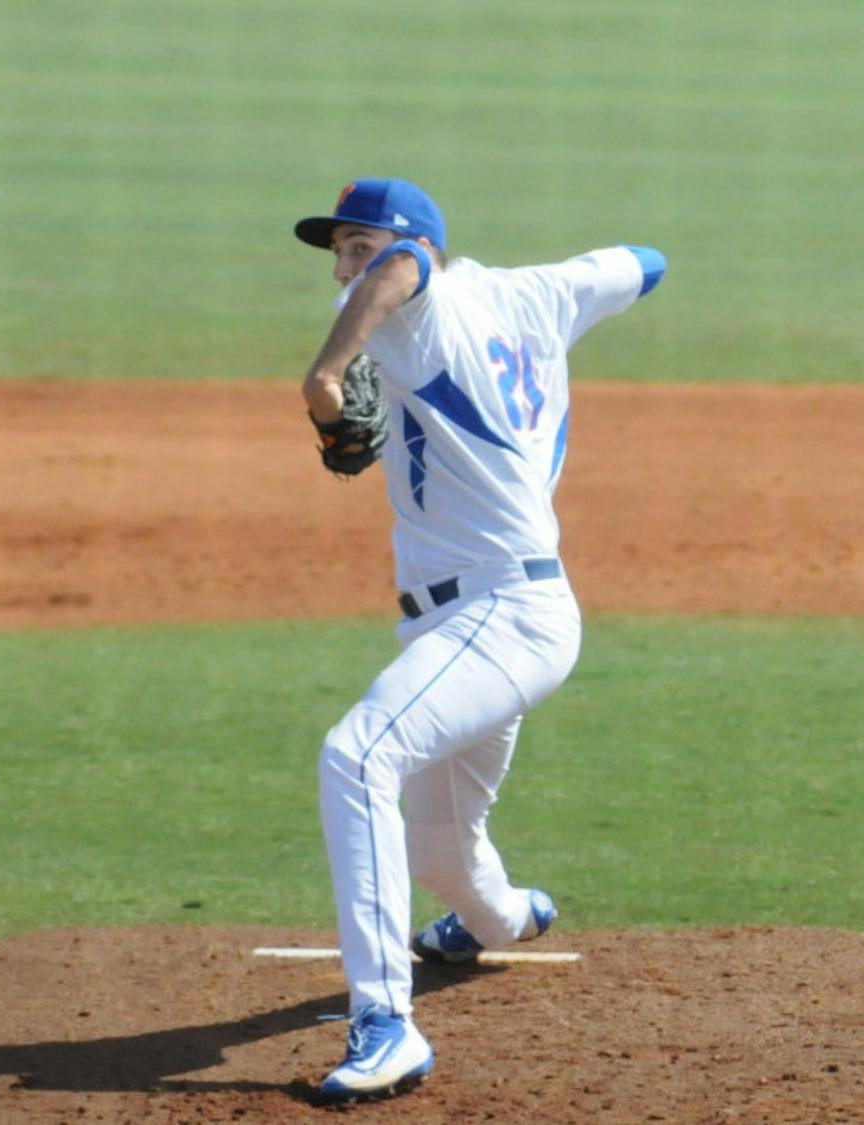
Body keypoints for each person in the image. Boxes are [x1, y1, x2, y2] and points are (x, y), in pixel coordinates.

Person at [295, 177, 666, 1103]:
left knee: (357, 756)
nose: (342, 269)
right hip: (480, 621)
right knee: (441, 855)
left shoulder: (407, 294)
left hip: (503, 615)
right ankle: (504, 918)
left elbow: (408, 266)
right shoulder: (539, 292)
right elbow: (644, 264)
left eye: (354, 246)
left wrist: (328, 372)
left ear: (406, 247)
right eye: (335, 251)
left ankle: (387, 1026)